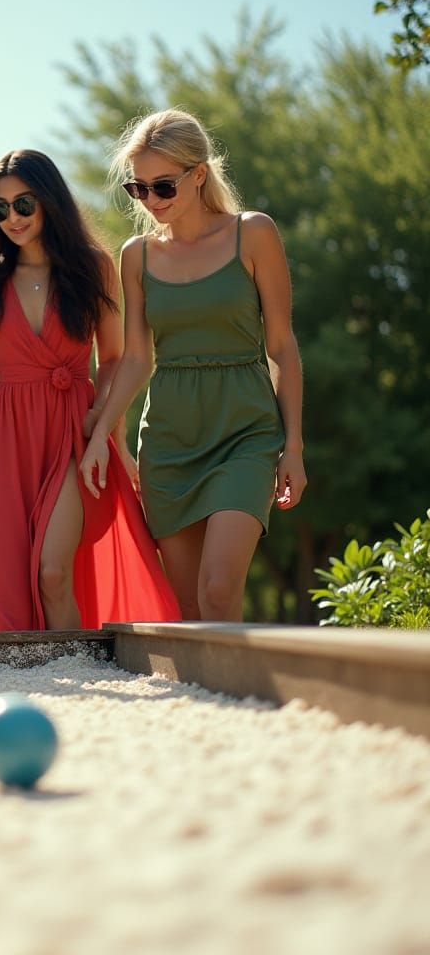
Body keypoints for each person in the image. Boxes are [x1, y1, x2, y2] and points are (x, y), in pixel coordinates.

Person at [0, 149, 179, 631]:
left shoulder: (94, 267)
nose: (13, 218)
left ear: (49, 200)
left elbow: (114, 360)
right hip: (4, 441)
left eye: (23, 204)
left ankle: (76, 665)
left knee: (53, 571)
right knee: (9, 584)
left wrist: (110, 437)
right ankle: (44, 672)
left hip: (72, 432)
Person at [81, 108, 307, 621]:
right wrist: (103, 437)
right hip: (169, 441)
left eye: (163, 186)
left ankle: (241, 678)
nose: (151, 200)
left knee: (219, 590)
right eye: (138, 189)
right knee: (186, 610)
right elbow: (136, 359)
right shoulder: (137, 255)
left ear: (199, 173)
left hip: (246, 432)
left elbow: (281, 346)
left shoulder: (253, 233)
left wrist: (292, 444)